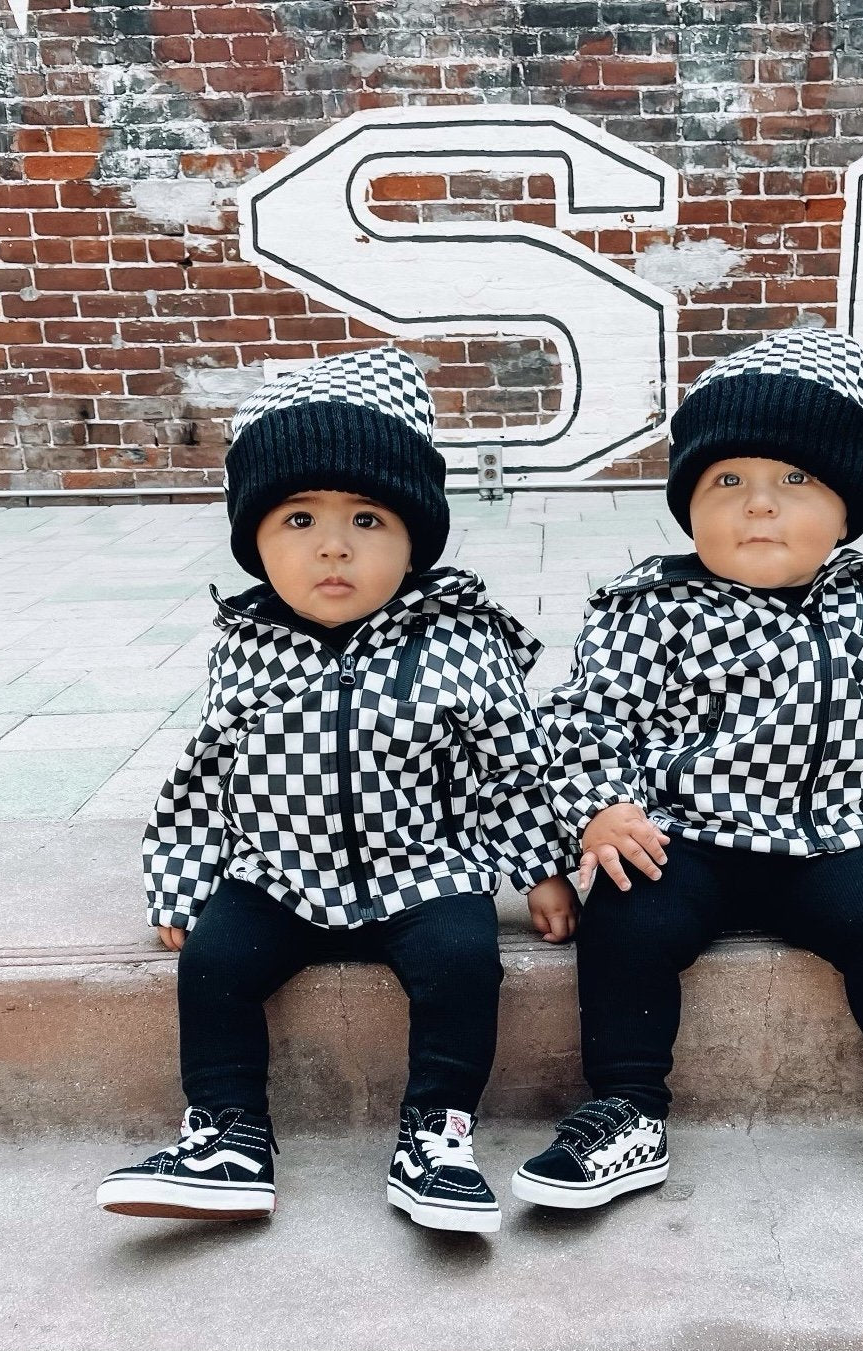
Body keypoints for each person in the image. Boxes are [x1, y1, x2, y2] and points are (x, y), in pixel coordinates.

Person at [512, 328, 863, 1222]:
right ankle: (626, 1107)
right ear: (687, 508)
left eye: (794, 479)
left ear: (846, 511)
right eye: (726, 482)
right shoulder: (651, 606)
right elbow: (585, 718)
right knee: (627, 922)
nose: (757, 504)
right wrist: (600, 808)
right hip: (684, 840)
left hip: (829, 838)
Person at [96, 347, 578, 1233]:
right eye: (297, 519)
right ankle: (228, 1137)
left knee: (463, 961)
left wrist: (541, 867)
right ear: (254, 541)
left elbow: (509, 762)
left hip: (423, 867)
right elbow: (206, 774)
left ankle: (436, 1134)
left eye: (366, 518)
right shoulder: (246, 645)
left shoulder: (456, 639)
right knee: (213, 966)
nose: (332, 544)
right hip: (278, 871)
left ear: (414, 539)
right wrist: (181, 880)